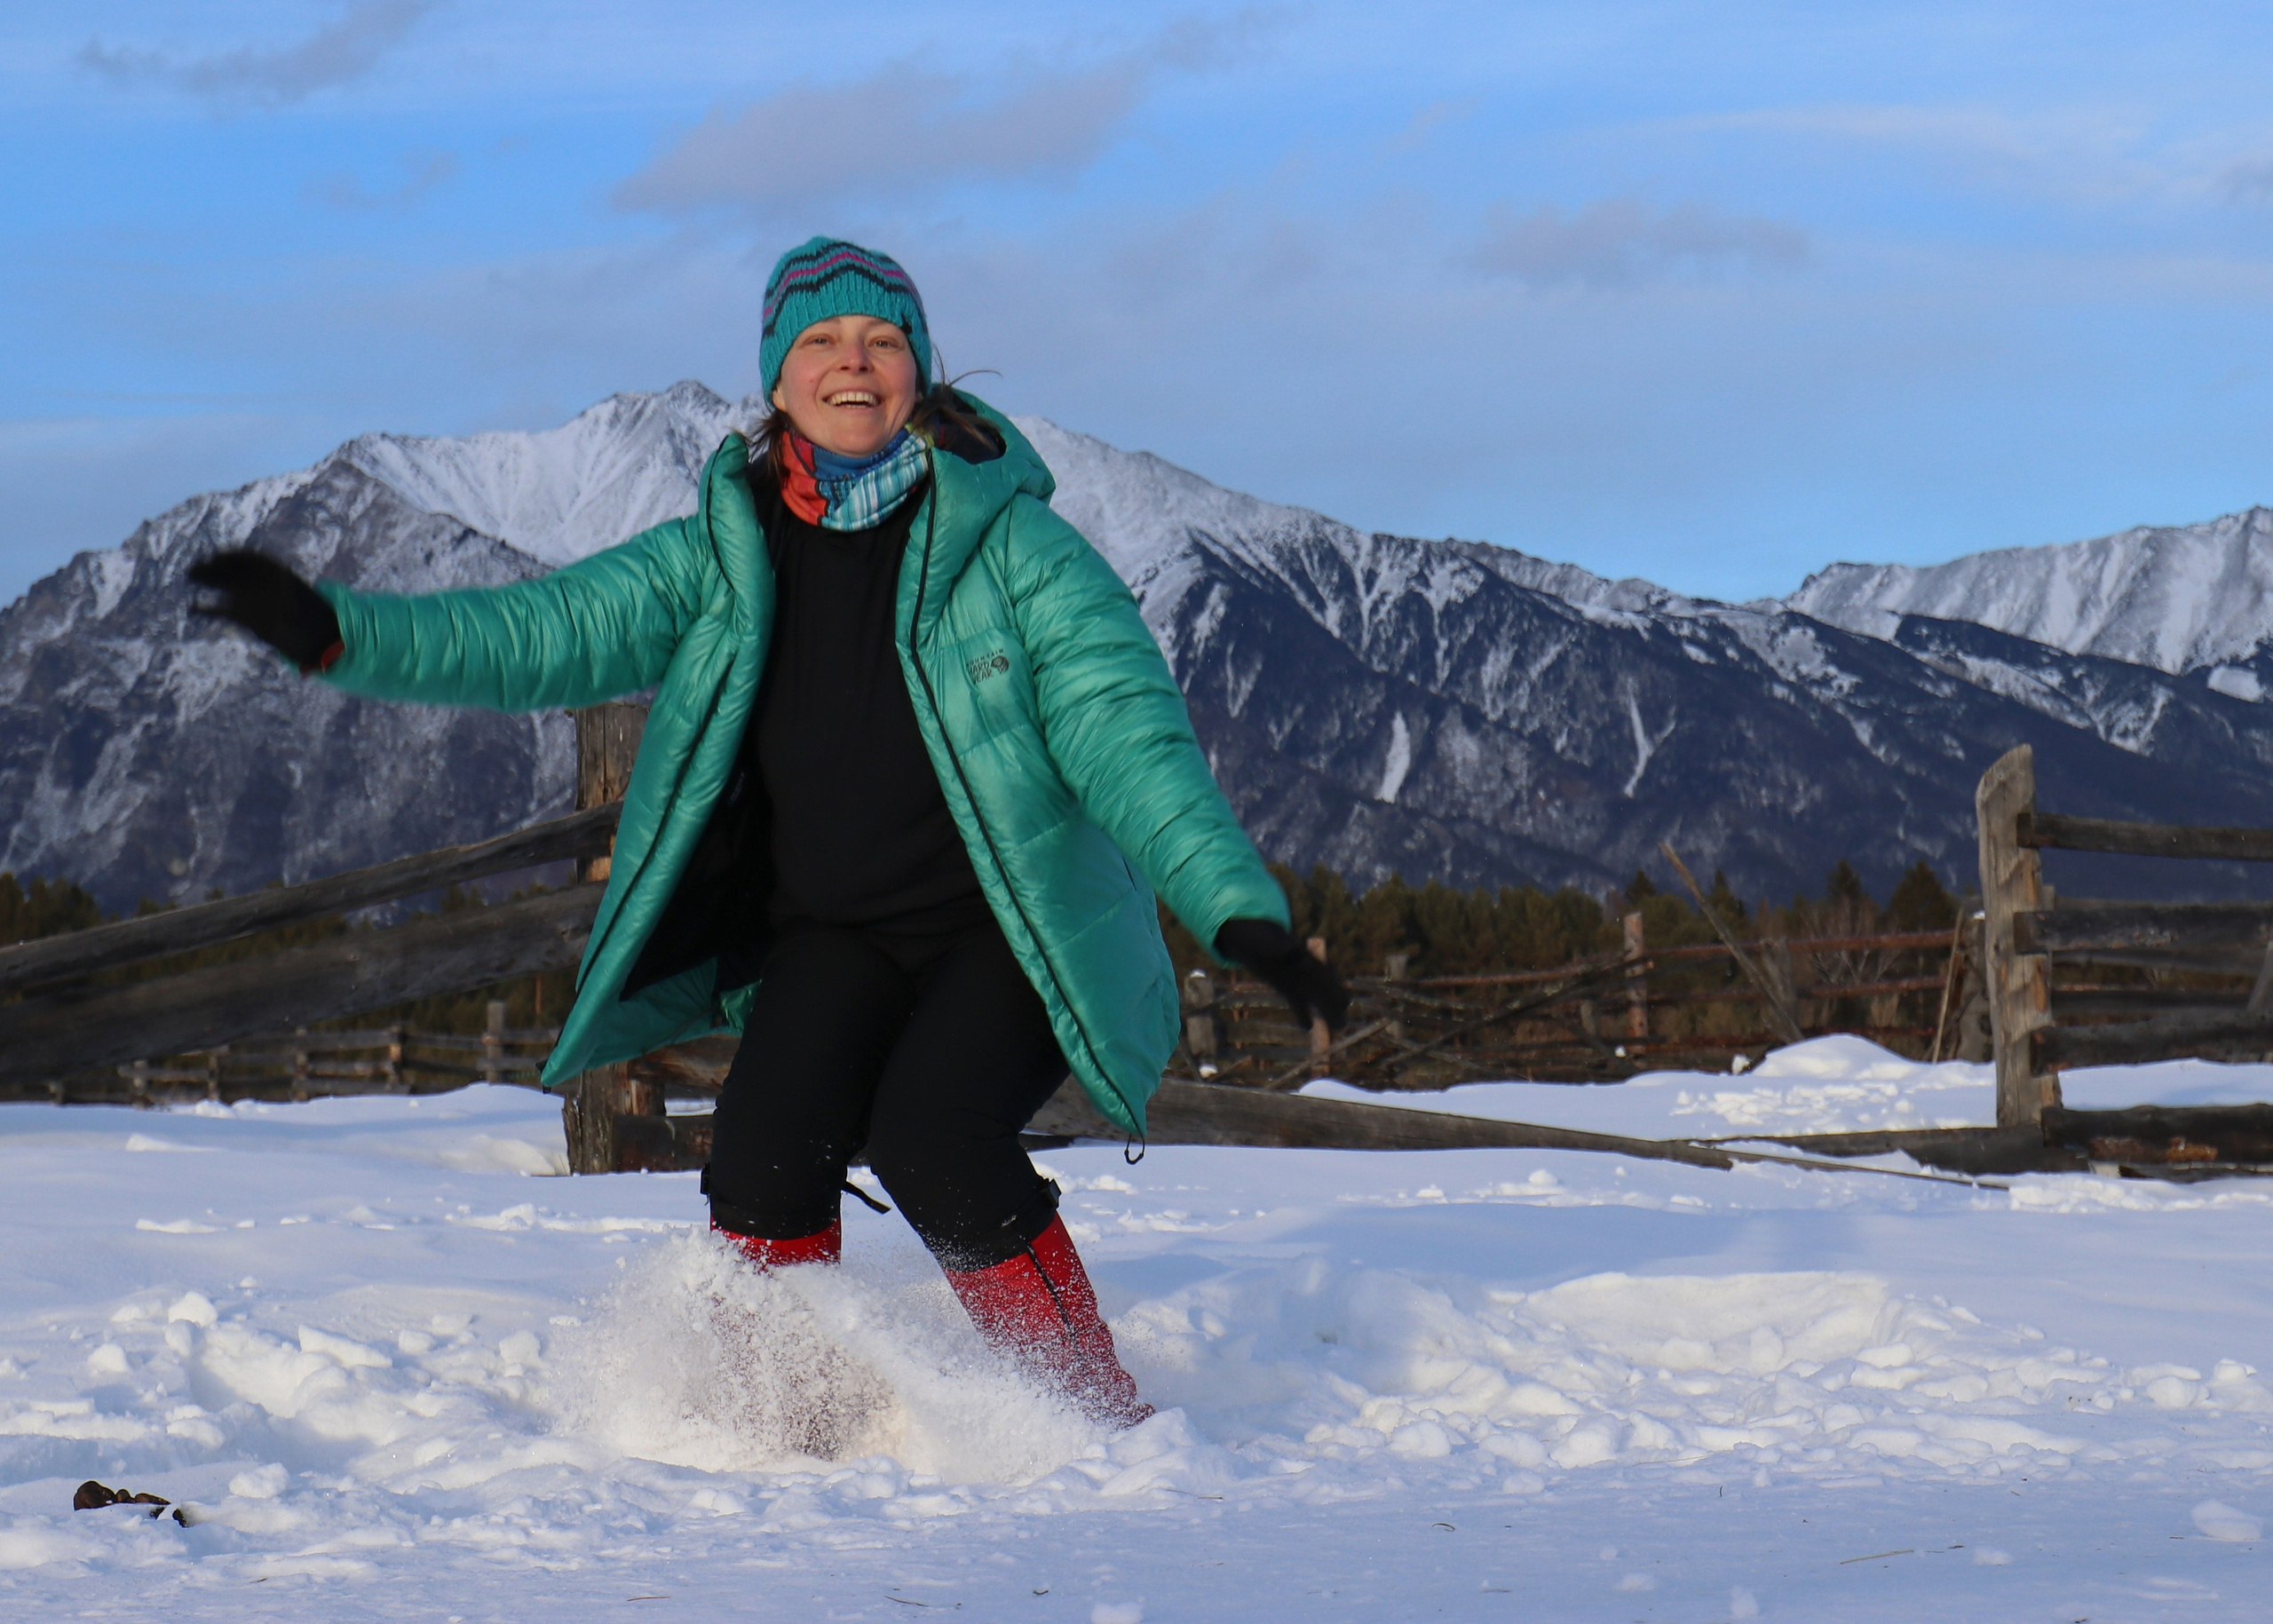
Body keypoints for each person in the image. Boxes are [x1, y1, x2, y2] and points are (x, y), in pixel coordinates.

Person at [186, 236, 1349, 1430]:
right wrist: (341, 636)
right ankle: (793, 1422)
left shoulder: (1019, 552)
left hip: (1006, 932)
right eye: (823, 342)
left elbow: (1131, 739)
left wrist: (1236, 909)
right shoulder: (727, 551)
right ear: (777, 381)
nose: (856, 363)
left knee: (935, 1136)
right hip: (831, 934)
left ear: (923, 371)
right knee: (761, 1152)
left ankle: (1090, 1411)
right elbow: (542, 631)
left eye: (884, 341)